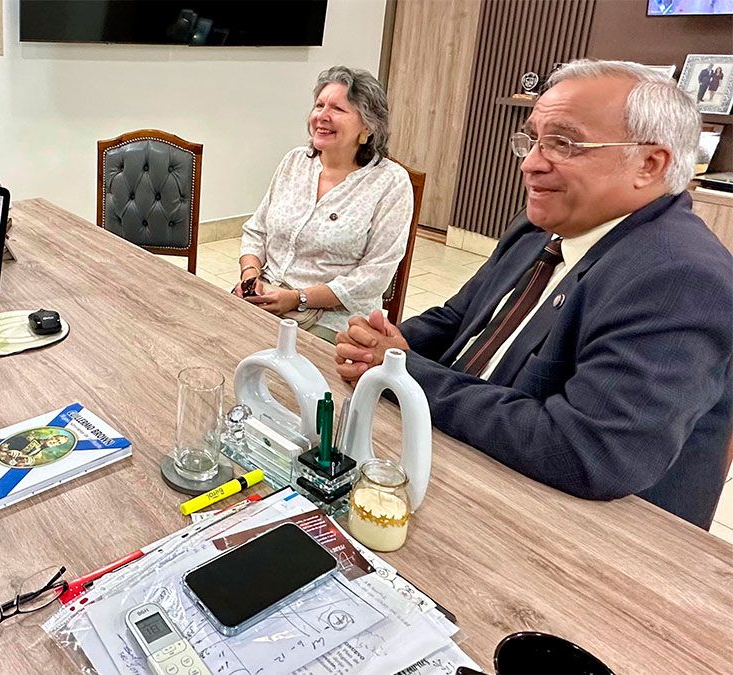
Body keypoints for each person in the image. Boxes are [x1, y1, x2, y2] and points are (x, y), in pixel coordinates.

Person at [334, 60, 733, 529]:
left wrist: (406, 372)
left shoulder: (681, 278)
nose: (531, 163)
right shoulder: (541, 227)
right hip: (463, 456)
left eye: (563, 144)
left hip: (571, 530)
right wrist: (378, 345)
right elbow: (458, 318)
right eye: (533, 140)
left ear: (649, 164)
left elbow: (584, 450)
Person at [234, 66, 414, 343]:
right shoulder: (295, 161)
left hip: (335, 319)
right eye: (319, 105)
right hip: (265, 298)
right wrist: (250, 277)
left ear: (368, 126)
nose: (322, 116)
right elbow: (256, 231)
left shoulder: (390, 182)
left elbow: (374, 276)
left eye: (338, 109)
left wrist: (298, 298)